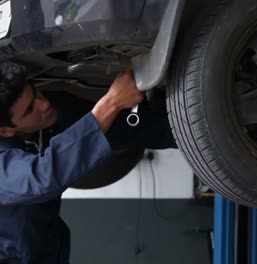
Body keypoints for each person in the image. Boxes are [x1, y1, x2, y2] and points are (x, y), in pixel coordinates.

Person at [0, 62, 174, 263]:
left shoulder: (50, 112)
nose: (43, 104)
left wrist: (199, 128)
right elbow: (42, 177)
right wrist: (111, 103)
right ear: (5, 131)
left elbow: (126, 129)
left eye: (35, 92)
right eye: (30, 109)